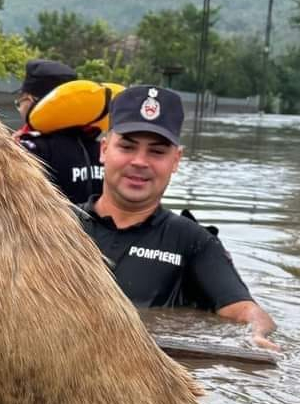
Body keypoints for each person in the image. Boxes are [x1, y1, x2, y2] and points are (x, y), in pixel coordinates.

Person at [75, 84, 278, 347]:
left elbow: (246, 311)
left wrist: (256, 334)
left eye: (157, 152)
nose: (140, 161)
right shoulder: (58, 223)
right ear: (104, 150)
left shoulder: (192, 241)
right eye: (127, 147)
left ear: (176, 160)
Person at [14, 58, 103, 205]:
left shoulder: (32, 149)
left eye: (20, 102)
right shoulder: (101, 148)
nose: (20, 108)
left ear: (31, 101)